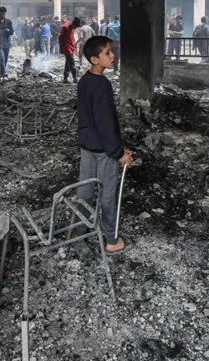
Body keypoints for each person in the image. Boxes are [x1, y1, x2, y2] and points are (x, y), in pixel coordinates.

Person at [75, 35, 134, 256]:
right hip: (103, 150)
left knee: (84, 190)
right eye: (107, 53)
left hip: (86, 146)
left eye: (112, 51)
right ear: (94, 59)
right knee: (108, 193)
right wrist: (119, 153)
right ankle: (111, 240)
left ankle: (78, 234)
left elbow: (88, 118)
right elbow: (105, 123)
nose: (113, 56)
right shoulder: (102, 85)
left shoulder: (84, 81)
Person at [59, 16, 82, 83]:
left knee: (68, 63)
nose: (76, 28)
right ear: (73, 23)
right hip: (67, 48)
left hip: (70, 47)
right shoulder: (65, 27)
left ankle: (65, 78)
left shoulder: (71, 27)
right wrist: (62, 46)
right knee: (72, 63)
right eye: (76, 26)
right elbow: (60, 37)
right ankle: (75, 78)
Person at [0, 6, 14, 76]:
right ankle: (4, 73)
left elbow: (11, 32)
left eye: (4, 14)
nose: (3, 15)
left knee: (5, 59)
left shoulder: (8, 22)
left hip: (7, 43)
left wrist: (6, 31)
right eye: (1, 14)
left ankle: (2, 72)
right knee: (1, 59)